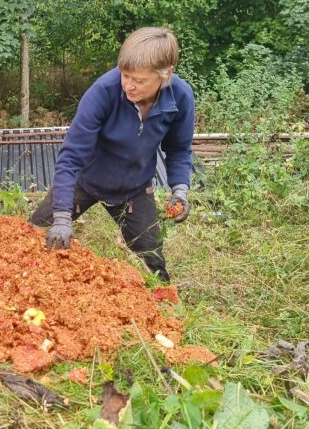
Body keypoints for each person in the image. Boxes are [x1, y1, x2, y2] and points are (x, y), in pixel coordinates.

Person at [31, 27, 194, 282]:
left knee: (153, 261)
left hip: (134, 187)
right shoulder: (104, 91)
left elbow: (179, 149)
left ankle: (164, 307)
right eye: (124, 75)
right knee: (34, 236)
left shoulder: (181, 97)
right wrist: (62, 217)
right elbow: (71, 155)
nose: (128, 85)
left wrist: (180, 190)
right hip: (85, 180)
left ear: (165, 75)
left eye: (138, 80)